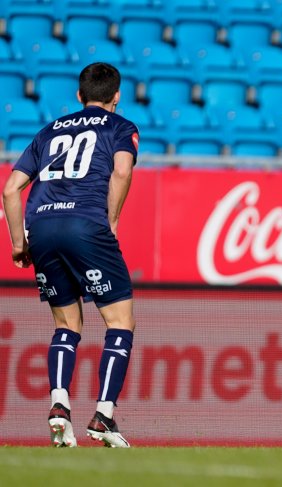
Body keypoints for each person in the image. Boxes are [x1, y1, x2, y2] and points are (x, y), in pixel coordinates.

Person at [2, 62, 139, 448]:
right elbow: (123, 173)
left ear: (79, 96)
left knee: (67, 325)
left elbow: (11, 189)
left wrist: (18, 243)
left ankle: (59, 405)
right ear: (117, 96)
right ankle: (104, 415)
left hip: (42, 226)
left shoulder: (48, 131)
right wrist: (110, 220)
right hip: (86, 224)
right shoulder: (121, 127)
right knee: (120, 322)